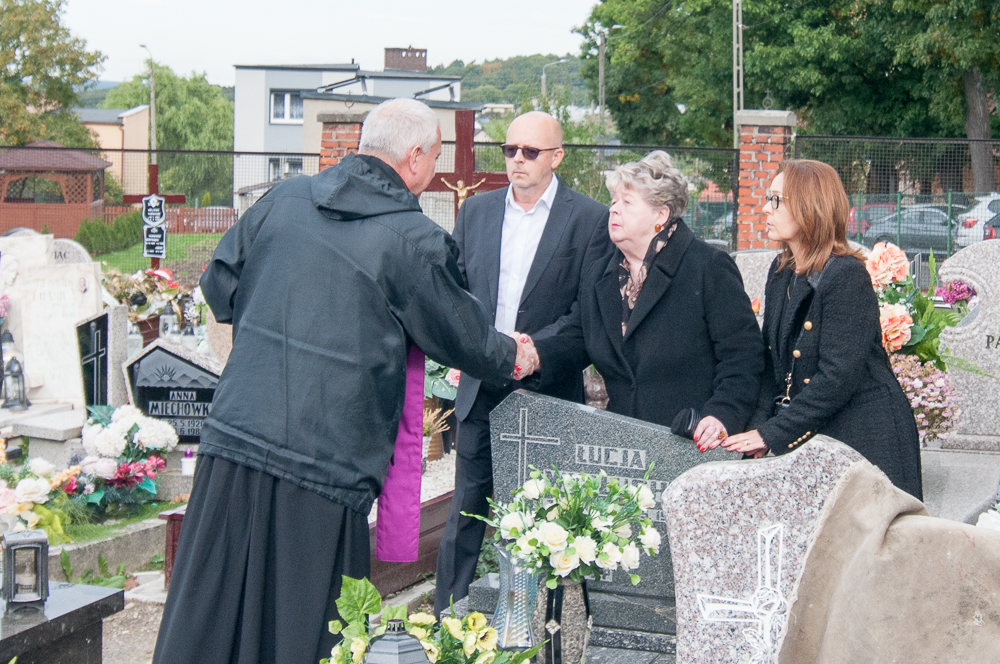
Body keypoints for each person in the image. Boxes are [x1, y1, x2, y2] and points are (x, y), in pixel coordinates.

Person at [153, 98, 536, 664]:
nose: (433, 168)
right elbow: (464, 338)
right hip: (326, 458)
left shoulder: (283, 199)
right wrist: (516, 356)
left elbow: (220, 288)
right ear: (413, 158)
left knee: (212, 610)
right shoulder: (413, 239)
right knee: (302, 624)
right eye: (435, 156)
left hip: (239, 432)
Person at [434, 111, 613, 614]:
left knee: (542, 522)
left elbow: (588, 314)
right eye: (510, 150)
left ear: (557, 156)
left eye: (530, 151)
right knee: (465, 514)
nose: (516, 160)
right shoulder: (477, 212)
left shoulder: (589, 219)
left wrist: (533, 352)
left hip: (548, 389)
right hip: (482, 384)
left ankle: (533, 630)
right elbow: (460, 294)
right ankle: (449, 624)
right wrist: (467, 348)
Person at [718, 159, 923, 499]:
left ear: (808, 207)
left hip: (864, 439)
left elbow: (837, 377)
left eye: (776, 200)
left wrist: (772, 432)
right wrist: (757, 428)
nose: (765, 209)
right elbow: (772, 361)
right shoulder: (782, 269)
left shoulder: (846, 276)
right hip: (817, 434)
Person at [532, 151, 764, 443]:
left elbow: (743, 356)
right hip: (624, 445)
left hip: (691, 443)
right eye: (613, 201)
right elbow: (577, 337)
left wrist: (721, 415)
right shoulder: (599, 274)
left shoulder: (707, 267)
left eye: (627, 203)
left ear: (661, 215)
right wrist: (531, 354)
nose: (613, 210)